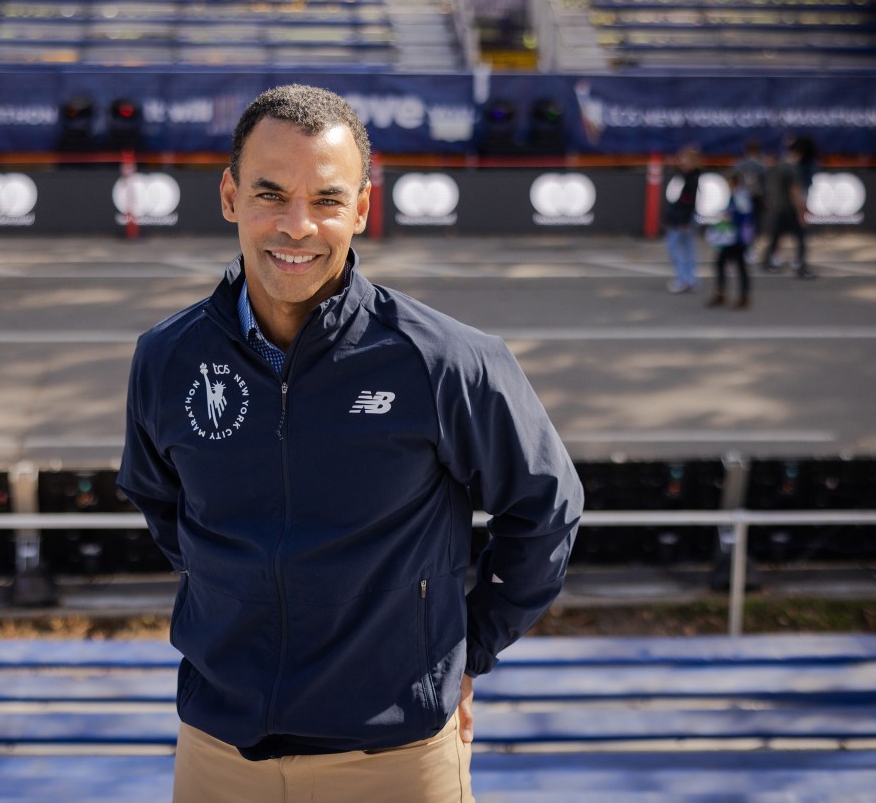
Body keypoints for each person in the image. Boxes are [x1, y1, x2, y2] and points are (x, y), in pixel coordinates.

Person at [117, 84, 583, 803]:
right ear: (231, 197)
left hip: (394, 758)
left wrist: (468, 649)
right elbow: (163, 506)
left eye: (327, 200)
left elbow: (545, 508)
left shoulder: (445, 361)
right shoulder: (166, 358)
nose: (297, 226)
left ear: (362, 208)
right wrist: (235, 590)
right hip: (218, 750)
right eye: (271, 195)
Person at [760, 137, 815, 279]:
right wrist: (801, 210)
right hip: (789, 209)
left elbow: (770, 188)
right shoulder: (792, 169)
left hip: (778, 207)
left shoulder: (779, 166)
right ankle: (800, 265)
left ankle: (768, 260)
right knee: (800, 237)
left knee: (776, 235)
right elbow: (795, 191)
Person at [705, 169, 755, 310]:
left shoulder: (740, 196)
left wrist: (729, 218)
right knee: (722, 263)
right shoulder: (733, 196)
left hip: (738, 238)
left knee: (739, 266)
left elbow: (744, 216)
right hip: (730, 238)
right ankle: (722, 293)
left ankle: (743, 297)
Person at [662, 145, 702, 294]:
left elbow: (688, 202)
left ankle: (683, 279)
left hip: (683, 219)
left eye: (684, 159)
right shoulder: (687, 176)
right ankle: (690, 279)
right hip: (683, 217)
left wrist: (684, 221)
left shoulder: (692, 178)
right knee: (688, 248)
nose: (681, 162)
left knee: (674, 247)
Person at [731, 138, 767, 259]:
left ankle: (746, 247)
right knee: (750, 224)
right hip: (749, 197)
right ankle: (747, 247)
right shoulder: (758, 164)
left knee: (747, 224)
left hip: (748, 197)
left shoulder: (742, 163)